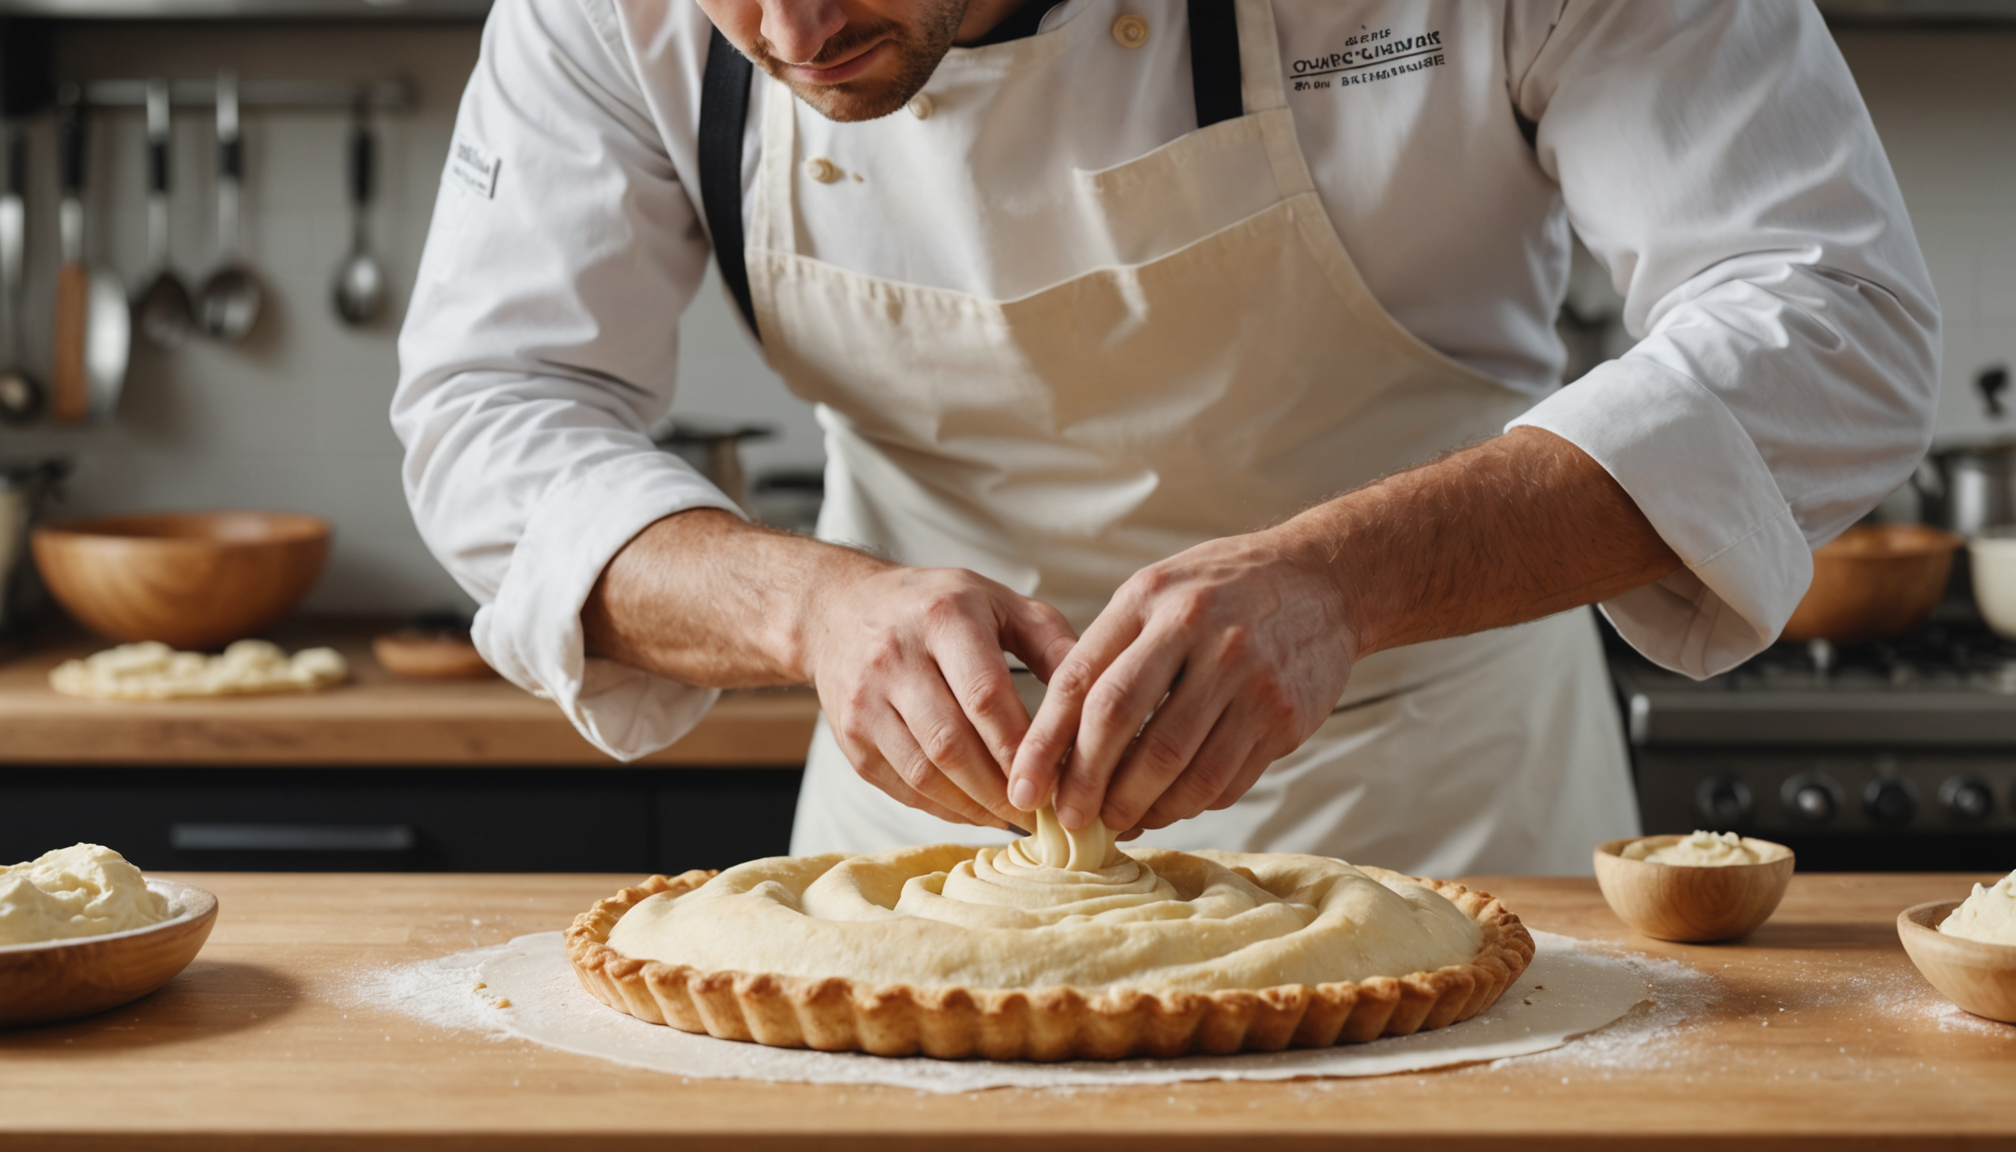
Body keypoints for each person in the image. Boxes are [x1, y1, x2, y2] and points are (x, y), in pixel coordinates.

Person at [393, 0, 1938, 875]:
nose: (788, 27)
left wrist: (1349, 578)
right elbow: (491, 408)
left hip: (1433, 812)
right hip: (927, 848)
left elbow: (1835, 316)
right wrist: (808, 609)